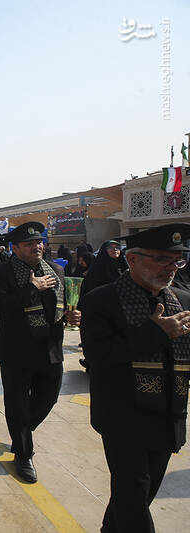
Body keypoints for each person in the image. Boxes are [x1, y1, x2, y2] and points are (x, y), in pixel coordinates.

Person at [80, 224, 190, 533]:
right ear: (132, 259)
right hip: (123, 417)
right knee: (134, 493)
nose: (170, 268)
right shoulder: (102, 300)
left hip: (168, 414)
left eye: (177, 261)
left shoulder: (183, 300)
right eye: (161, 259)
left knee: (141, 493)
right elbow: (99, 355)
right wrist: (155, 333)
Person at [0, 221, 80, 483]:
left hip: (49, 349)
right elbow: (0, 307)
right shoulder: (2, 272)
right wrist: (32, 288)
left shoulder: (56, 270)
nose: (36, 247)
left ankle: (21, 432)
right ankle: (23, 453)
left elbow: (59, 306)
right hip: (17, 350)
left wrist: (71, 316)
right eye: (29, 244)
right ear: (15, 248)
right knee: (17, 403)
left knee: (48, 398)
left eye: (39, 242)